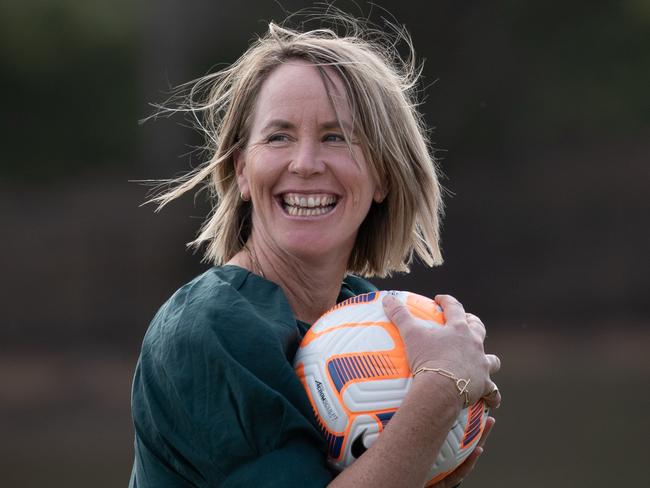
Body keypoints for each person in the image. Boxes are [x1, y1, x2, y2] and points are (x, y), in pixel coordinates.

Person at [130, 12, 501, 488]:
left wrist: (423, 462)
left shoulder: (371, 316)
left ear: (384, 174)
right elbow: (438, 391)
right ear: (242, 170)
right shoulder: (208, 328)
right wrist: (439, 389)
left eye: (337, 137)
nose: (305, 164)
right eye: (279, 136)